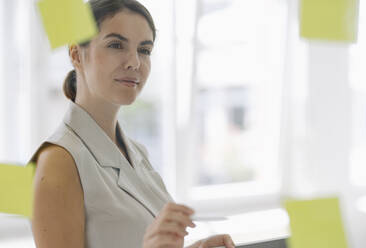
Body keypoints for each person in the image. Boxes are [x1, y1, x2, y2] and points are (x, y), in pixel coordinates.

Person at [30, 0, 235, 247]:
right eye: (116, 45)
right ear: (76, 54)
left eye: (144, 50)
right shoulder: (58, 162)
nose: (134, 62)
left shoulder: (137, 153)